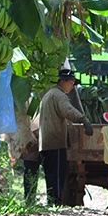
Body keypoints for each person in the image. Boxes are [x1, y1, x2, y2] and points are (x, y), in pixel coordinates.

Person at [38, 68, 91, 206]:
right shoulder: (59, 95)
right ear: (63, 81)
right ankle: (55, 202)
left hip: (48, 142)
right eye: (71, 82)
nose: (72, 86)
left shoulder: (50, 94)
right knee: (56, 174)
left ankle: (53, 202)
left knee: (52, 174)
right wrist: (84, 120)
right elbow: (68, 110)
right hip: (54, 142)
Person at [7, 105, 41, 204]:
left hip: (35, 143)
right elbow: (28, 121)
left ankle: (30, 200)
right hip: (31, 145)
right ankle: (29, 200)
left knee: (30, 172)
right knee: (30, 172)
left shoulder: (36, 101)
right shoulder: (34, 102)